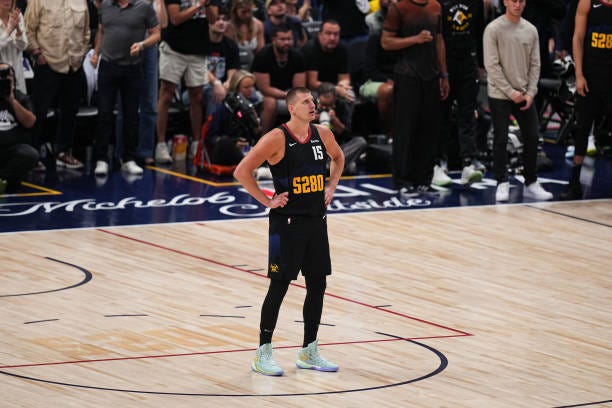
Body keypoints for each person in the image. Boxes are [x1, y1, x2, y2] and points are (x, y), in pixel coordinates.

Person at [233, 86, 344, 376]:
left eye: (313, 100)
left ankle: (309, 350)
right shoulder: (276, 138)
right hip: (288, 224)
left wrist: (331, 186)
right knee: (279, 286)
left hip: (317, 221)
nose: (313, 104)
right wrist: (266, 199)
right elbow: (242, 171)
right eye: (306, 101)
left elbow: (339, 158)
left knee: (317, 285)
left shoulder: (324, 134)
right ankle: (262, 352)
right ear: (292, 108)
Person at [483, 0, 553, 202]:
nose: (518, 4)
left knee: (532, 136)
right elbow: (491, 65)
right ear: (505, 2)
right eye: (514, 0)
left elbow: (535, 64)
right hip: (500, 93)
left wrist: (531, 92)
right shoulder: (493, 29)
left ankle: (531, 182)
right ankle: (502, 182)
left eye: (521, 1)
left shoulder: (531, 30)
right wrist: (510, 91)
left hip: (524, 93)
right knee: (500, 139)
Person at [381, 0, 450, 193]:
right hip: (407, 74)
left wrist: (444, 74)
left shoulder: (435, 6)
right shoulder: (398, 7)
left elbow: (439, 40)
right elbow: (386, 42)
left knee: (429, 129)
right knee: (405, 129)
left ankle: (424, 180)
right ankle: (403, 180)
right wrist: (415, 39)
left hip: (431, 75)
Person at [90, 0, 160, 176]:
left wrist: (142, 45)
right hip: (108, 64)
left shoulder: (143, 7)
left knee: (131, 115)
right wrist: (96, 52)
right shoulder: (105, 6)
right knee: (104, 113)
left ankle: (129, 158)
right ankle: (101, 159)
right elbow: (101, 30)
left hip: (132, 66)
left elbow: (156, 33)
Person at [25, 0, 90, 171]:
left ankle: (63, 152)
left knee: (70, 110)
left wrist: (81, 53)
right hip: (47, 62)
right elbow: (28, 28)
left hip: (73, 64)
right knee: (39, 110)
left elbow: (86, 31)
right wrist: (36, 52)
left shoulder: (81, 1)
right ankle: (32, 154)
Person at [154, 0, 218, 164]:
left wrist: (207, 5)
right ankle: (160, 143)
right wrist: (198, 5)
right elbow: (175, 19)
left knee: (196, 96)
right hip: (174, 48)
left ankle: (196, 143)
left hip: (198, 49)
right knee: (166, 95)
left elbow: (213, 19)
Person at [561, 0, 612, 200]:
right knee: (582, 127)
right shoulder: (587, 2)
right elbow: (578, 37)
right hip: (591, 74)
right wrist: (579, 74)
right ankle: (574, 182)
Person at [435, 0, 485, 186]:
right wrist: (442, 72)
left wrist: (480, 64)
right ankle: (439, 161)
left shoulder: (476, 2)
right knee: (442, 115)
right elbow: (438, 35)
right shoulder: (439, 3)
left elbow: (480, 31)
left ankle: (468, 162)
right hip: (446, 63)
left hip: (468, 64)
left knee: (468, 114)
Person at [251, 23, 306, 132]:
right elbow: (264, 88)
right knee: (270, 103)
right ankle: (263, 137)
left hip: (289, 91)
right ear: (274, 40)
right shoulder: (263, 56)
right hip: (264, 93)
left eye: (289, 39)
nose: (286, 42)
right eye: (282, 39)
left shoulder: (297, 56)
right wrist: (287, 95)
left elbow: (299, 87)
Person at [0, 62, 37, 194]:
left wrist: (12, 100)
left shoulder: (20, 97)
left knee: (29, 154)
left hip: (13, 151)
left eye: (7, 76)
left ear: (13, 79)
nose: (3, 79)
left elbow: (30, 122)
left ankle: (3, 179)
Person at [316, 81, 365, 174]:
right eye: (323, 105)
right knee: (350, 168)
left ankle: (330, 166)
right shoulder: (311, 107)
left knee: (360, 141)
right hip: (317, 150)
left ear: (334, 99)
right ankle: (339, 167)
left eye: (328, 106)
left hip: (337, 149)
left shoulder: (342, 106)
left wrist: (335, 120)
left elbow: (346, 135)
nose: (325, 108)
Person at [202, 6, 240, 118]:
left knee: (251, 94)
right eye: (217, 19)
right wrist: (216, 84)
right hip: (199, 86)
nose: (221, 23)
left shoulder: (231, 45)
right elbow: (201, 68)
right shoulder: (199, 43)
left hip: (223, 87)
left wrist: (228, 83)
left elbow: (233, 69)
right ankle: (212, 133)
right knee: (213, 93)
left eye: (224, 19)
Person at [226, 0, 265, 70]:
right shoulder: (229, 27)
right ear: (236, 11)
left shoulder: (258, 25)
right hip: (235, 66)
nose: (247, 15)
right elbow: (229, 54)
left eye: (249, 11)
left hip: (254, 65)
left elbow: (261, 52)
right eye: (243, 12)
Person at [0, 0, 28, 94]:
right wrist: (9, 30)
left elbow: (23, 47)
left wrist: (18, 30)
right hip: (1, 77)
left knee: (20, 104)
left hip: (18, 75)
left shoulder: (17, 16)